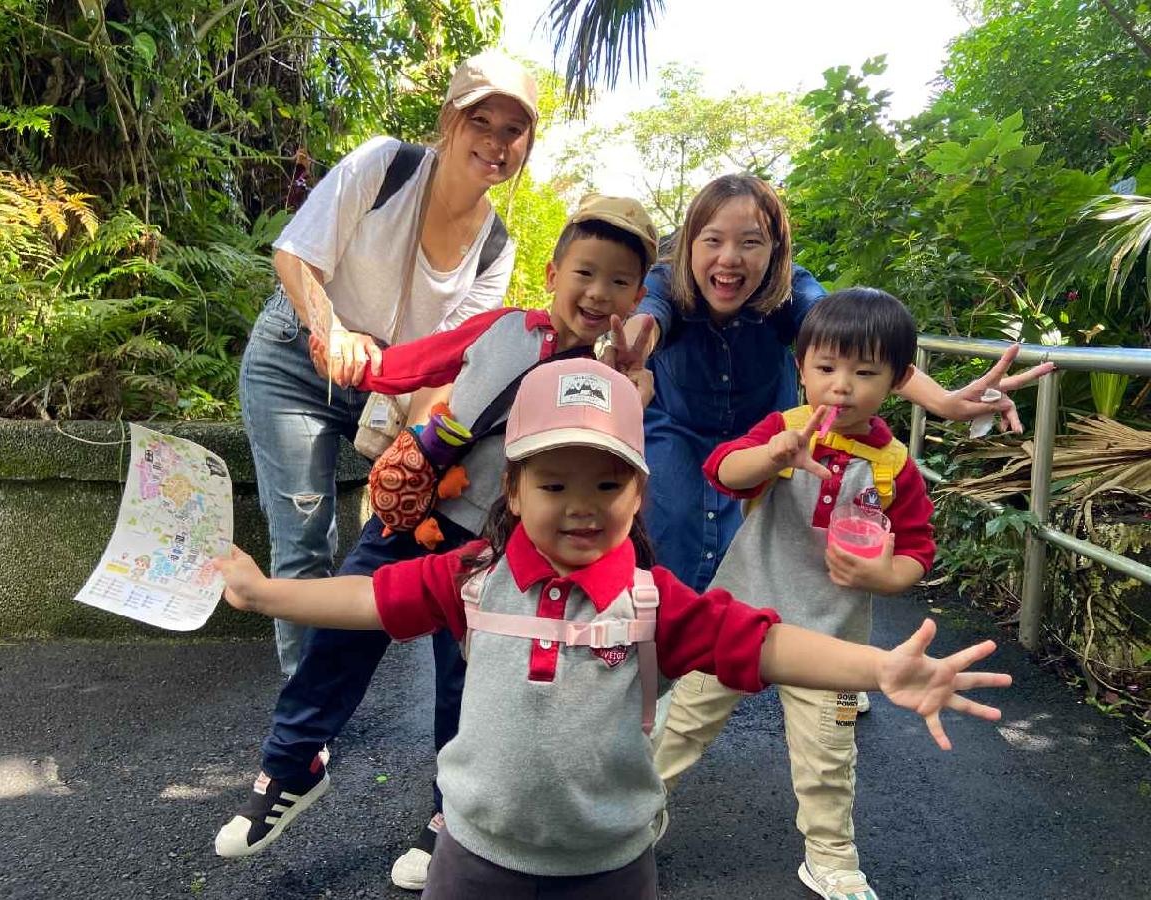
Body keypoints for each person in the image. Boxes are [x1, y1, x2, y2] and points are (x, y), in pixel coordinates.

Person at [213, 356, 1012, 900]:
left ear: (638, 495)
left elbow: (764, 643)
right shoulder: (473, 577)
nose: (581, 506)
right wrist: (268, 594)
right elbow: (370, 601)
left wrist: (880, 669)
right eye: (553, 483)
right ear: (513, 491)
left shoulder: (654, 601)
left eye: (606, 484)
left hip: (611, 869)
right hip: (470, 857)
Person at [215, 195, 661, 891]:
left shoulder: (606, 380)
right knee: (341, 631)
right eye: (585, 272)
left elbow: (616, 447)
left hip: (493, 541)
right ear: (553, 272)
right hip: (413, 506)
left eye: (619, 281)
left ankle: (450, 813)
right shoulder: (503, 327)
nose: (598, 293)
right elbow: (420, 363)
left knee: (469, 679)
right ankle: (292, 763)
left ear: (636, 297)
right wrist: (357, 363)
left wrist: (630, 383)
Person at [240, 49, 538, 677]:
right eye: (481, 121)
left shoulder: (496, 247)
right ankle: (303, 708)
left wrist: (419, 452)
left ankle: (332, 689)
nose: (496, 142)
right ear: (450, 119)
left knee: (403, 530)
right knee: (304, 536)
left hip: (390, 390)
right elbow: (294, 255)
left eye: (513, 130)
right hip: (296, 359)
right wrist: (333, 332)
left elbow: (450, 362)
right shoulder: (386, 165)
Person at [610, 174, 1052, 594]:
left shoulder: (790, 290)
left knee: (754, 547)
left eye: (750, 242)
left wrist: (945, 402)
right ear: (690, 244)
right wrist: (633, 349)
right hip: (678, 432)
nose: (729, 258)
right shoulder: (665, 280)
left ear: (775, 251)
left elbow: (852, 340)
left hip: (773, 438)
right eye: (712, 240)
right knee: (669, 528)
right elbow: (648, 321)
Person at [655, 287, 935, 900]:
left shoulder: (894, 467)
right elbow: (721, 471)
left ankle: (831, 857)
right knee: (679, 726)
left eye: (865, 373)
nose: (841, 387)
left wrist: (883, 577)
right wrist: (769, 455)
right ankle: (637, 815)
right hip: (736, 614)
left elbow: (916, 551)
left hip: (831, 639)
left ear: (898, 379)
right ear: (800, 367)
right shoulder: (784, 429)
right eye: (825, 367)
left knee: (828, 756)